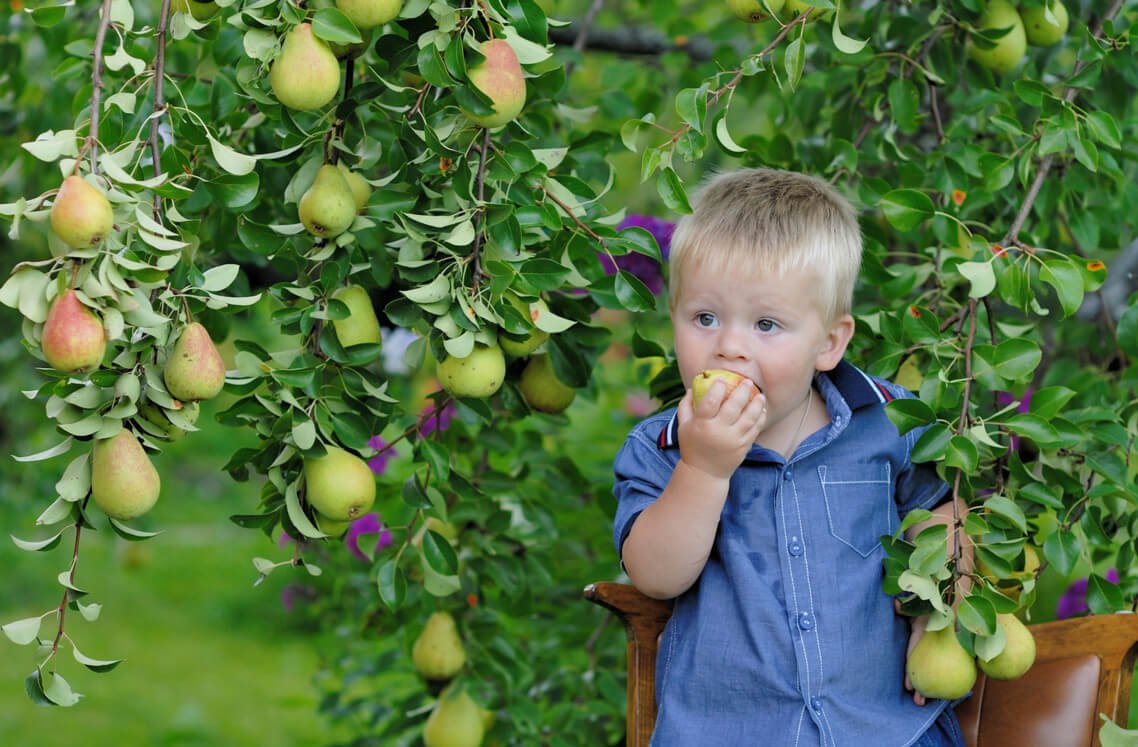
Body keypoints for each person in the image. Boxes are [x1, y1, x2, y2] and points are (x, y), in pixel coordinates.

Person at [612, 168, 969, 746]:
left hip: (884, 729)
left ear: (828, 343)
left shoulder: (890, 421)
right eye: (704, 318)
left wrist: (940, 602)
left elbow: (948, 511)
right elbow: (655, 575)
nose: (729, 345)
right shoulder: (663, 448)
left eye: (766, 324)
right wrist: (704, 469)